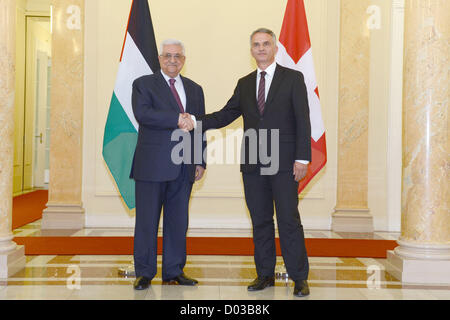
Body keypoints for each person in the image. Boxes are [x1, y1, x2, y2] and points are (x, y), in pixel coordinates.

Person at [183, 28, 311, 297]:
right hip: (253, 163)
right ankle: (265, 275)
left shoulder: (293, 79)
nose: (261, 48)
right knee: (261, 220)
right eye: (256, 45)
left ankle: (299, 277)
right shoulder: (244, 83)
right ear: (251, 50)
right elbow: (227, 114)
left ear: (275, 48)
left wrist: (302, 157)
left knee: (288, 219)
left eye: (266, 44)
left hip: (286, 162)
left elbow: (303, 119)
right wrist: (196, 121)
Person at [130, 39, 206, 290]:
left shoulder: (195, 89)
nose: (173, 60)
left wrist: (200, 160)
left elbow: (199, 126)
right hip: (151, 165)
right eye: (168, 56)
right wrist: (177, 119)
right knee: (147, 221)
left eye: (178, 56)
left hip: (184, 167)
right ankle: (144, 272)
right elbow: (144, 114)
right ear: (160, 59)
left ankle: (174, 271)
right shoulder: (143, 84)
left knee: (177, 222)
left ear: (184, 60)